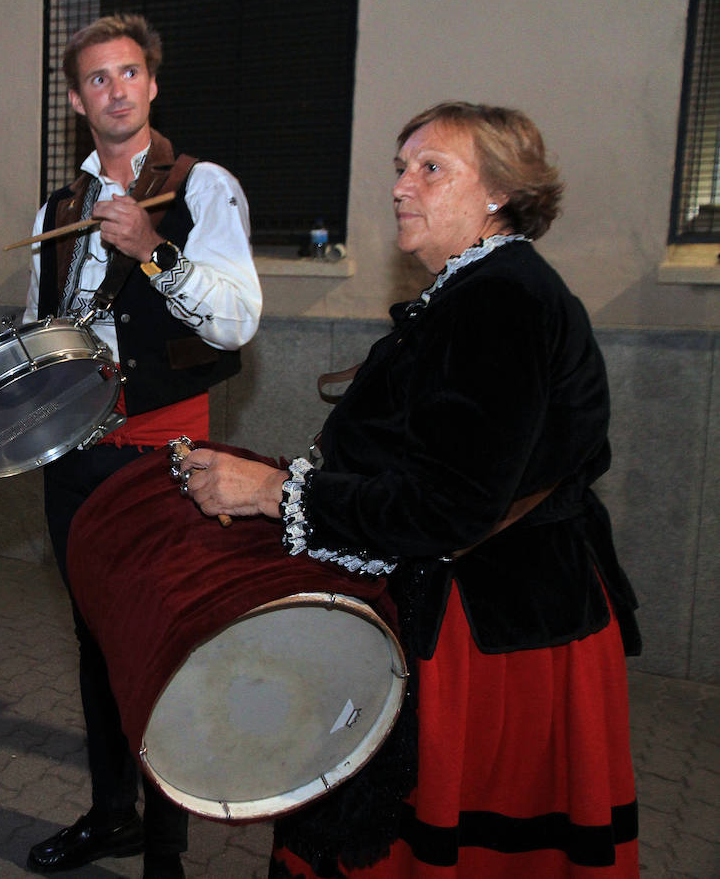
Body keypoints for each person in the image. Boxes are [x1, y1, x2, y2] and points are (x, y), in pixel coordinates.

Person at [179, 102, 641, 877]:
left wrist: (272, 493)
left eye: (431, 168)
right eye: (401, 166)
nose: (401, 185)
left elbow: (450, 506)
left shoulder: (503, 298)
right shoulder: (478, 287)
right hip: (492, 611)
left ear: (498, 191)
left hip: (492, 632)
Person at [21, 14, 262, 879]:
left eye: (129, 73)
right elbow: (36, 327)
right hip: (72, 454)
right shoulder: (58, 205)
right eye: (96, 78)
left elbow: (238, 317)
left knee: (161, 645)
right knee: (94, 640)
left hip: (162, 453)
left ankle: (167, 852)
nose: (115, 90)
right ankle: (110, 815)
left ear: (152, 85)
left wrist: (154, 253)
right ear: (77, 96)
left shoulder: (202, 188)